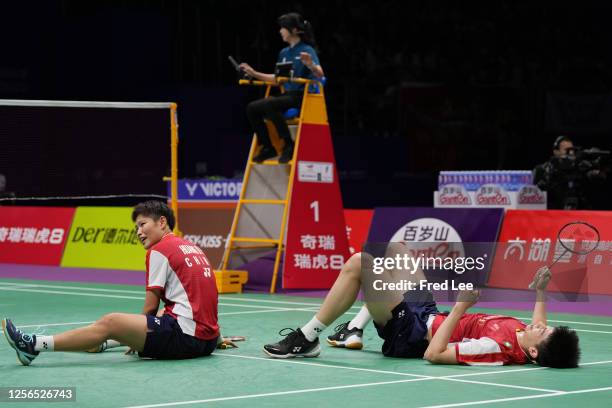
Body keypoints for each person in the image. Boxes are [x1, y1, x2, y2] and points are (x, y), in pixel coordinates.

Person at [263, 244, 580, 368]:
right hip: (428, 315)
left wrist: (459, 308)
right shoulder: (528, 335)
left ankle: (306, 338)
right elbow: (539, 323)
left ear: (534, 352)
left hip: (411, 336)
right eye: (546, 324)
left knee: (360, 263)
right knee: (398, 250)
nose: (541, 324)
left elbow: (434, 355)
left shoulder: (497, 347)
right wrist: (541, 290)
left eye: (544, 331)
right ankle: (355, 327)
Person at [2, 200, 230, 365]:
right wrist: (216, 337)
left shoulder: (160, 250)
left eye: (142, 225)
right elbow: (205, 297)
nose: (139, 232)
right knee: (161, 316)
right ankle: (106, 343)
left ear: (162, 222)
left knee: (111, 322)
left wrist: (139, 333)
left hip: (185, 340)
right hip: (207, 340)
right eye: (136, 228)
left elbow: (149, 309)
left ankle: (32, 346)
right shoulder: (192, 247)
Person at [239, 12, 324, 164]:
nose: (280, 31)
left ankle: (288, 145)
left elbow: (320, 74)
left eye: (283, 28)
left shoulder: (307, 50)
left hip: (300, 95)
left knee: (270, 103)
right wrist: (254, 73)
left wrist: (310, 64)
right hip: (287, 96)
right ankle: (267, 147)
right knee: (251, 108)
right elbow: (277, 80)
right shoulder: (283, 53)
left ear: (294, 30)